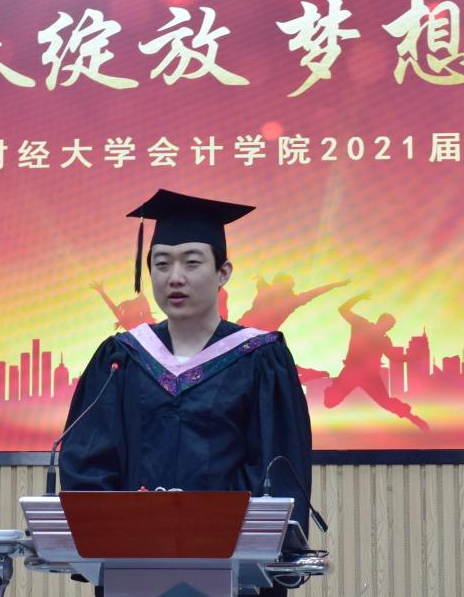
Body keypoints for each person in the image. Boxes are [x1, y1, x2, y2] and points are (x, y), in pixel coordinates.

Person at [59, 189, 313, 596]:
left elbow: (276, 469)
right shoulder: (121, 358)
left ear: (223, 273)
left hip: (235, 573)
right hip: (133, 568)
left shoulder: (260, 358)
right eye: (161, 264)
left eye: (192, 263)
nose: (174, 277)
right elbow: (90, 464)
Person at [324, 292, 429, 432]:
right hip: (352, 372)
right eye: (390, 325)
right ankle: (333, 388)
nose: (390, 328)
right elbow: (342, 309)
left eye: (391, 327)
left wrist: (414, 357)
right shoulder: (361, 324)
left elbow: (394, 357)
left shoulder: (384, 340)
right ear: (382, 322)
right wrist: (359, 297)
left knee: (386, 402)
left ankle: (413, 418)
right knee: (329, 403)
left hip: (369, 376)